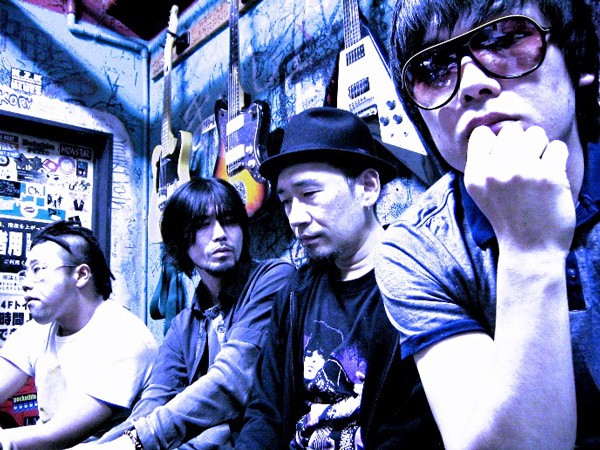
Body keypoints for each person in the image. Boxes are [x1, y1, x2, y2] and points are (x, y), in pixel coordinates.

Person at [375, 0, 600, 448]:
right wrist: (530, 251)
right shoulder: (417, 248)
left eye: (506, 38)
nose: (471, 84)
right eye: (433, 68)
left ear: (579, 59)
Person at [235, 106, 442, 449]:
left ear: (367, 187)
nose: (295, 217)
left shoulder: (419, 280)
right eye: (286, 201)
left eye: (309, 194)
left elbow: (414, 431)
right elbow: (265, 412)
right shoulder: (295, 294)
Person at [80, 177, 295, 449]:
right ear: (180, 240)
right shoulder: (184, 325)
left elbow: (233, 380)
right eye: (202, 224)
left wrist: (138, 440)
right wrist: (105, 444)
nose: (220, 234)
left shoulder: (274, 278)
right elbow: (153, 401)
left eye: (229, 221)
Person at [0, 219, 158, 449]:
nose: (26, 283)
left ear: (81, 275)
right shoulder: (38, 330)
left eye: (38, 269)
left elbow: (57, 435)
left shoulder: (125, 338)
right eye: (26, 273)